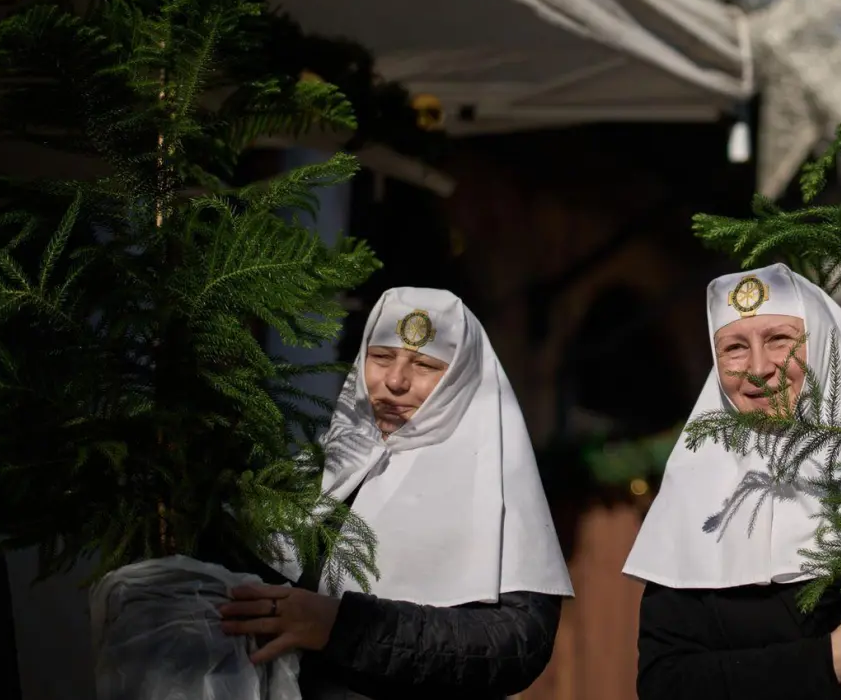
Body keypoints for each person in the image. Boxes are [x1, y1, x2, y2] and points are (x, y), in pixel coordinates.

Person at [625, 263, 841, 700]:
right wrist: (827, 661)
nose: (758, 368)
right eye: (734, 348)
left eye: (779, 340)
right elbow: (665, 683)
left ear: (822, 342)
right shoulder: (695, 494)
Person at [217, 287, 574, 699]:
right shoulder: (320, 469)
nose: (394, 381)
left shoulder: (495, 486)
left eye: (424, 364)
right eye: (382, 357)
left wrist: (343, 626)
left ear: (462, 377)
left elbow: (517, 643)